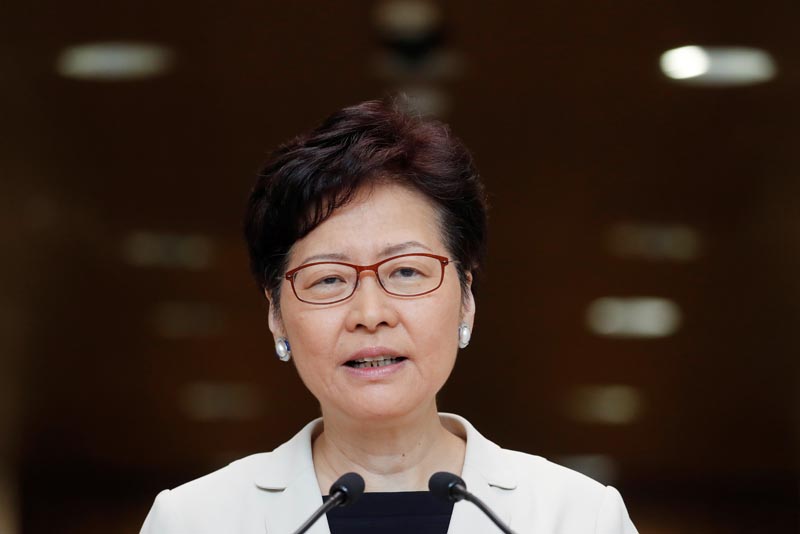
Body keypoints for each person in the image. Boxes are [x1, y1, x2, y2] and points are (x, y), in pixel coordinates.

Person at [140, 97, 638, 533]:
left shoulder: (578, 517)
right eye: (329, 279)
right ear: (276, 314)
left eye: (405, 271)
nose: (370, 314)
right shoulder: (195, 520)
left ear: (466, 297)